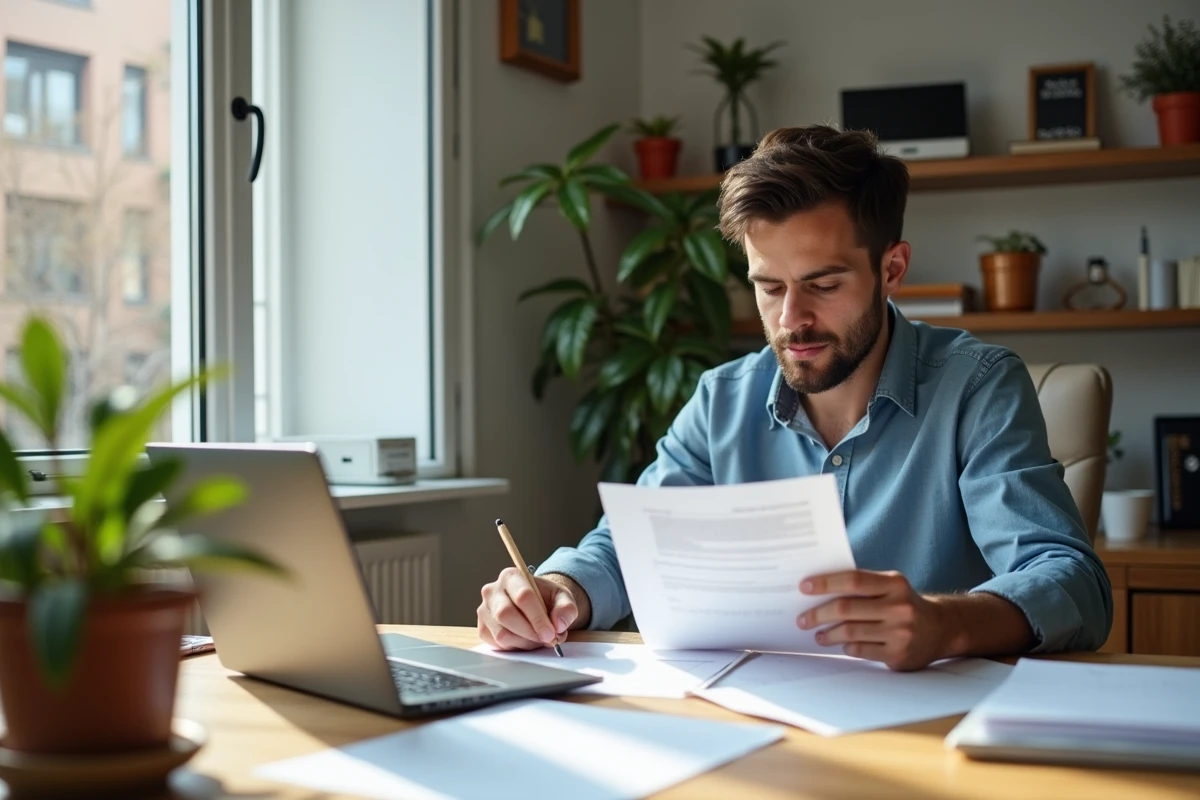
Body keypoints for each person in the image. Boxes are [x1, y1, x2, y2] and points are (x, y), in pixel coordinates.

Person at [477, 125, 1112, 671]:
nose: (791, 320)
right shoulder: (721, 401)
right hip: (760, 728)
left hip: (933, 732)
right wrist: (558, 590)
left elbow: (1072, 582)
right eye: (769, 286)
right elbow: (628, 551)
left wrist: (945, 623)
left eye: (823, 284)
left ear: (892, 268)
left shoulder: (977, 385)